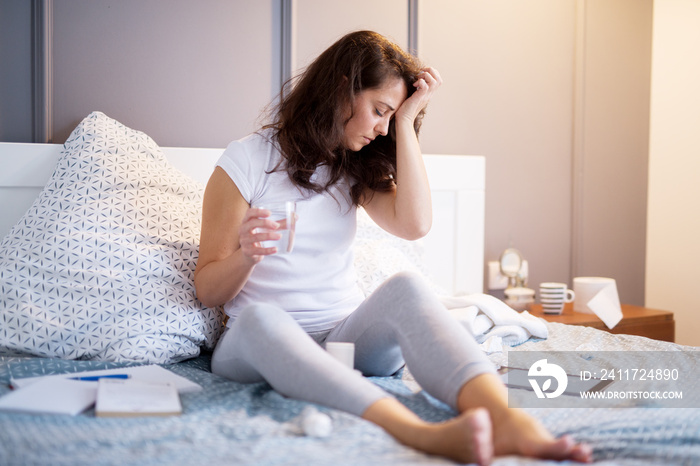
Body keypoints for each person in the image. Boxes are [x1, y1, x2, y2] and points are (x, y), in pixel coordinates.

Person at [194, 30, 592, 465]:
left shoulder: (350, 167)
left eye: (390, 117)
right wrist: (247, 256)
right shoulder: (245, 161)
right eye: (379, 111)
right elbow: (208, 291)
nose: (381, 127)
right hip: (255, 347)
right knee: (260, 317)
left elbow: (415, 225)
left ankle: (506, 419)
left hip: (343, 340)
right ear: (342, 89)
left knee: (407, 287)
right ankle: (418, 433)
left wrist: (405, 121)